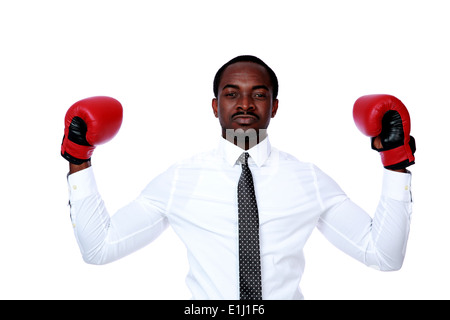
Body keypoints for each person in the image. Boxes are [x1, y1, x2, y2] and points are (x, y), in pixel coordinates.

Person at [61, 55, 415, 300]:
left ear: (274, 106)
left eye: (258, 94)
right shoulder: (179, 179)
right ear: (215, 106)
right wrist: (79, 160)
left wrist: (395, 162)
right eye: (231, 94)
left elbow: (384, 256)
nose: (245, 105)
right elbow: (100, 249)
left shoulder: (308, 179)